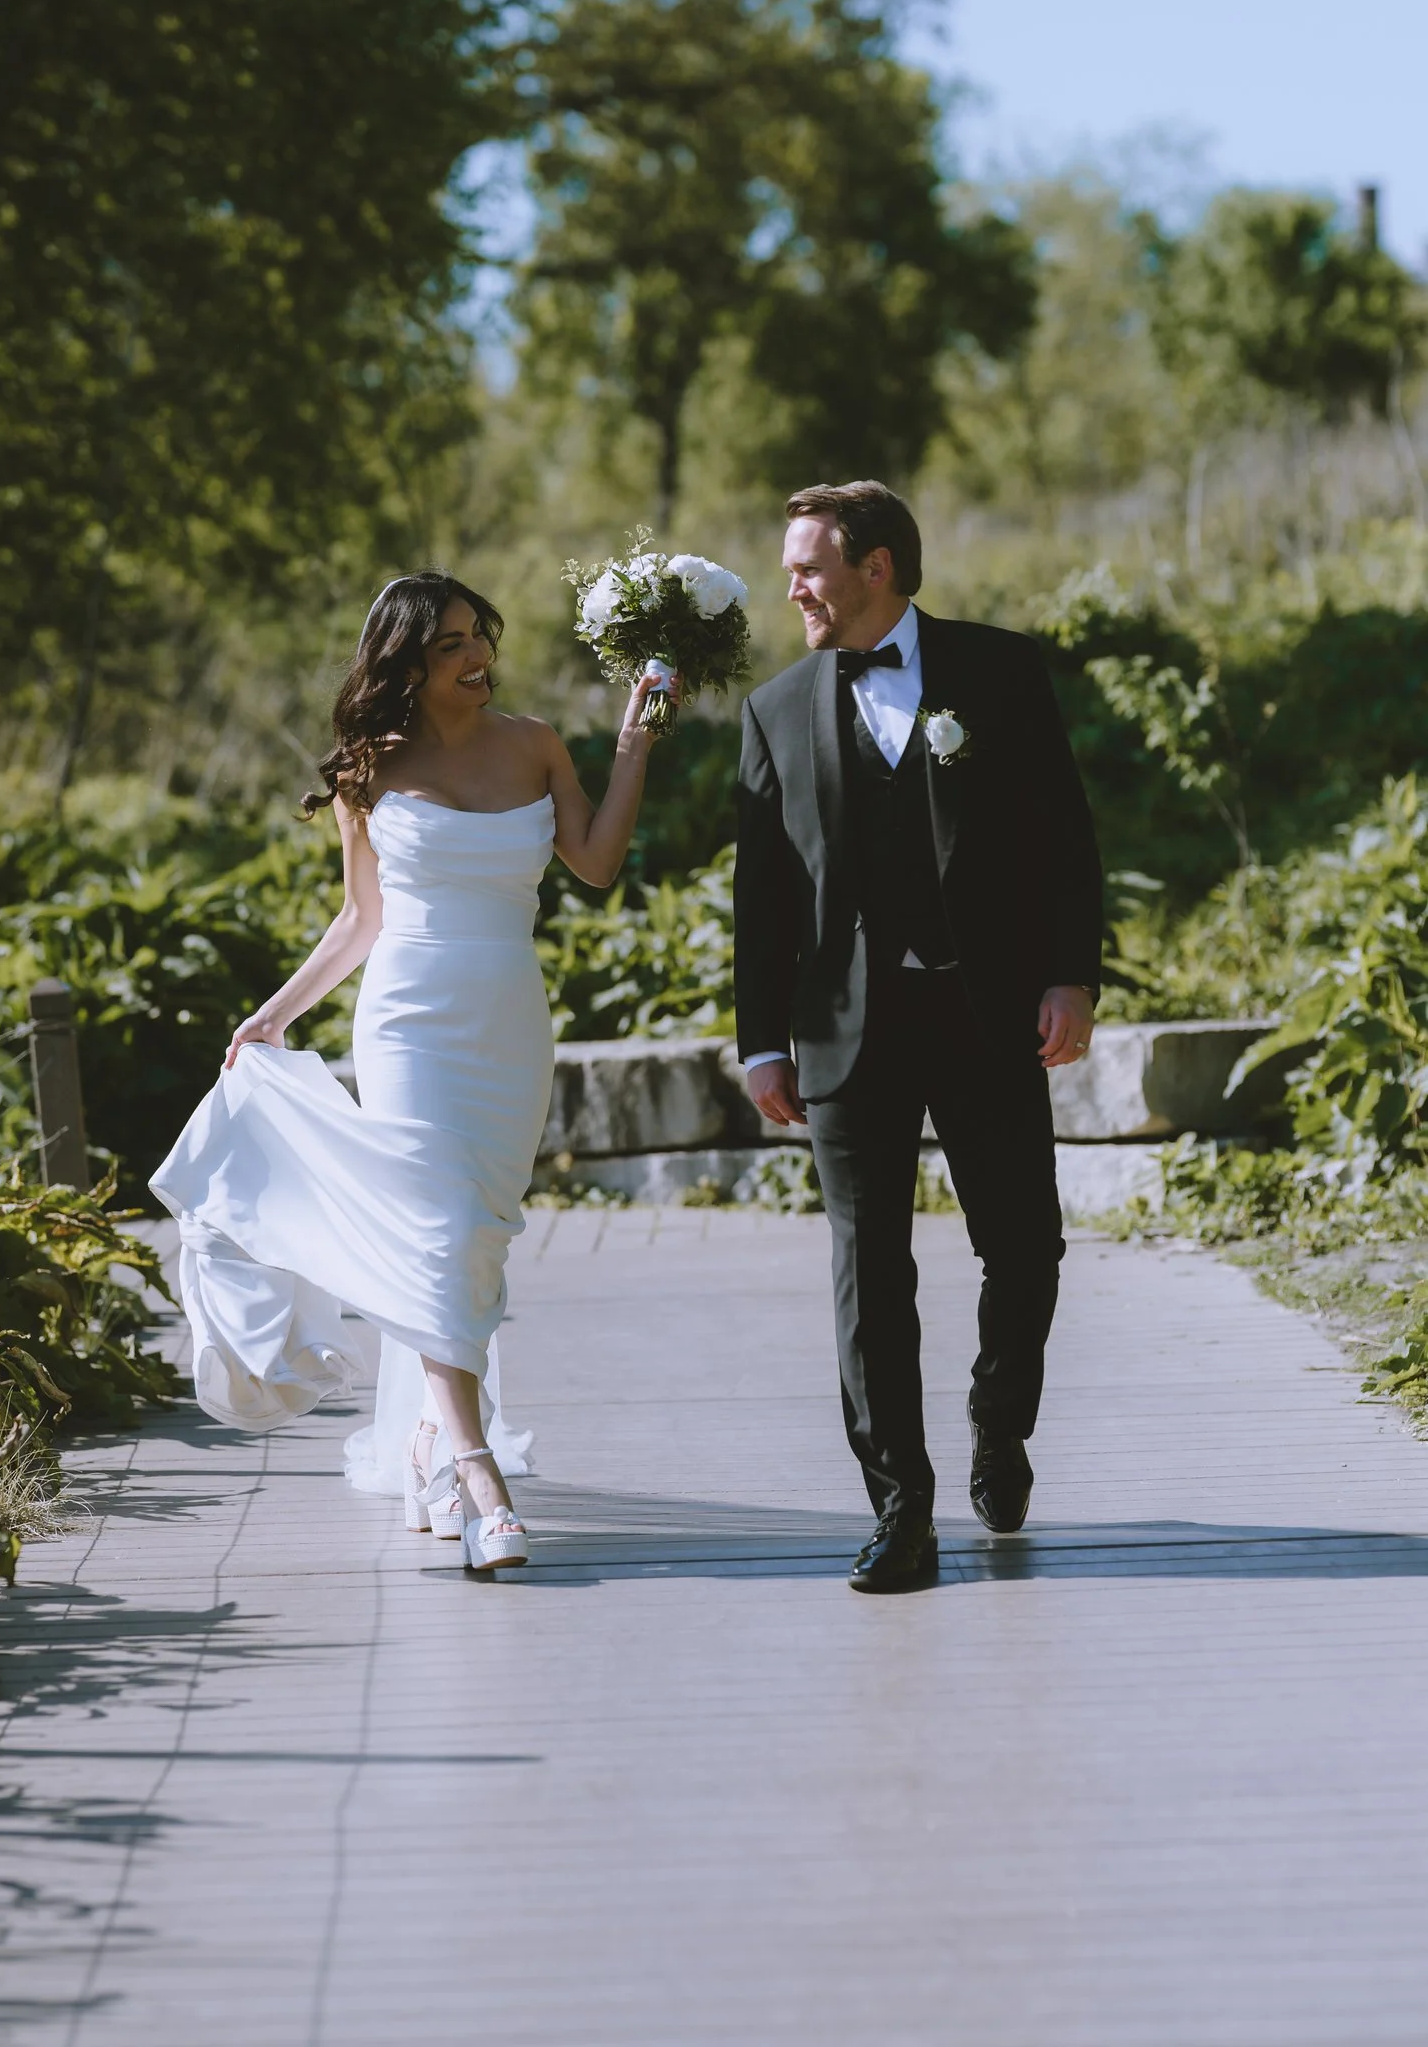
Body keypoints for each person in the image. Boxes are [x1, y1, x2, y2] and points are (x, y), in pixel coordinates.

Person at [152, 573, 671, 1575]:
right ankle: (480, 1477)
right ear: (405, 661)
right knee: (436, 1236)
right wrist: (274, 1015)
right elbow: (361, 920)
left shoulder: (536, 743)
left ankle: (429, 1443)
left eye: (480, 636)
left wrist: (635, 742)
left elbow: (599, 864)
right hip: (407, 1029)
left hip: (509, 1026)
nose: (475, 657)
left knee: (474, 1244)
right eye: (448, 645)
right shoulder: (367, 772)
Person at [734, 482, 1102, 1594]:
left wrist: (1071, 975)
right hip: (845, 1033)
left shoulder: (999, 671)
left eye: (809, 566)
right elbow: (764, 896)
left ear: (878, 566)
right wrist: (760, 1041)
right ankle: (902, 1508)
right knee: (868, 1273)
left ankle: (999, 1424)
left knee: (1027, 1245)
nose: (792, 586)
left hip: (988, 1013)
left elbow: (1064, 836)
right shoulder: (775, 710)